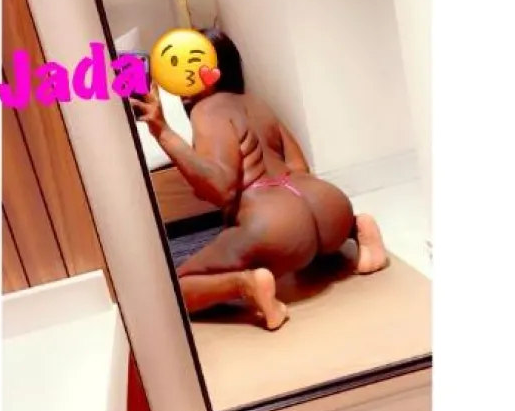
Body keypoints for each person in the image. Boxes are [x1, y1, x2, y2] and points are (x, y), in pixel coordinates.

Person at [130, 28, 388, 330]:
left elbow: (222, 189)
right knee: (302, 232)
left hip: (276, 228)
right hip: (330, 206)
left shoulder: (207, 111)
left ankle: (249, 285)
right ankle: (358, 229)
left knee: (174, 292)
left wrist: (162, 131)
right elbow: (299, 166)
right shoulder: (257, 103)